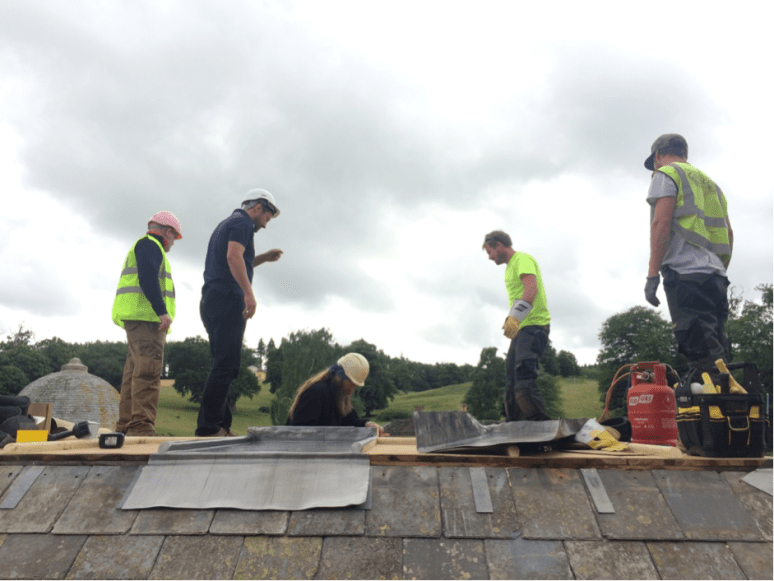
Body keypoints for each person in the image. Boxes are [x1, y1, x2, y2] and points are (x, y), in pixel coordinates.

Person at [196, 189, 283, 437]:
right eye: (267, 217)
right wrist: (249, 293)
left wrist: (263, 258)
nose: (266, 225)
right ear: (257, 208)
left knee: (223, 363)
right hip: (227, 298)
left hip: (212, 299)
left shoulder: (229, 223)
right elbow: (234, 257)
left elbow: (237, 261)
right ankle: (209, 428)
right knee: (226, 365)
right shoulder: (242, 223)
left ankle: (221, 425)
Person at [643, 133, 733, 374]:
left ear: (658, 156)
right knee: (717, 350)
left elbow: (661, 223)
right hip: (716, 276)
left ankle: (714, 408)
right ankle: (728, 404)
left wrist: (652, 275)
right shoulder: (711, 185)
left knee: (700, 353)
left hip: (685, 274)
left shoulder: (666, 173)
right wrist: (720, 271)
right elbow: (729, 233)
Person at [112, 211, 182, 437]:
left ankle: (126, 426)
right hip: (147, 320)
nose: (173, 242)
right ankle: (141, 427)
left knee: (134, 373)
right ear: (168, 232)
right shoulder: (151, 245)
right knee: (148, 373)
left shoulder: (145, 246)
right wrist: (162, 312)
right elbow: (147, 277)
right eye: (174, 237)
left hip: (138, 319)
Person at [483, 231, 552, 421]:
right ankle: (513, 425)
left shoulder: (522, 259)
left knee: (524, 378)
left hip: (534, 326)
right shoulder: (509, 267)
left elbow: (531, 288)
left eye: (490, 252)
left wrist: (515, 317)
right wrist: (513, 320)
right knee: (511, 380)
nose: (489, 257)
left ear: (498, 245)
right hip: (524, 329)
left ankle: (542, 427)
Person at [286, 352, 384, 435]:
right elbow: (300, 432)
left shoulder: (340, 397)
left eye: (355, 385)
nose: (352, 389)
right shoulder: (317, 392)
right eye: (351, 383)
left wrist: (367, 424)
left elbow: (350, 422)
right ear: (340, 376)